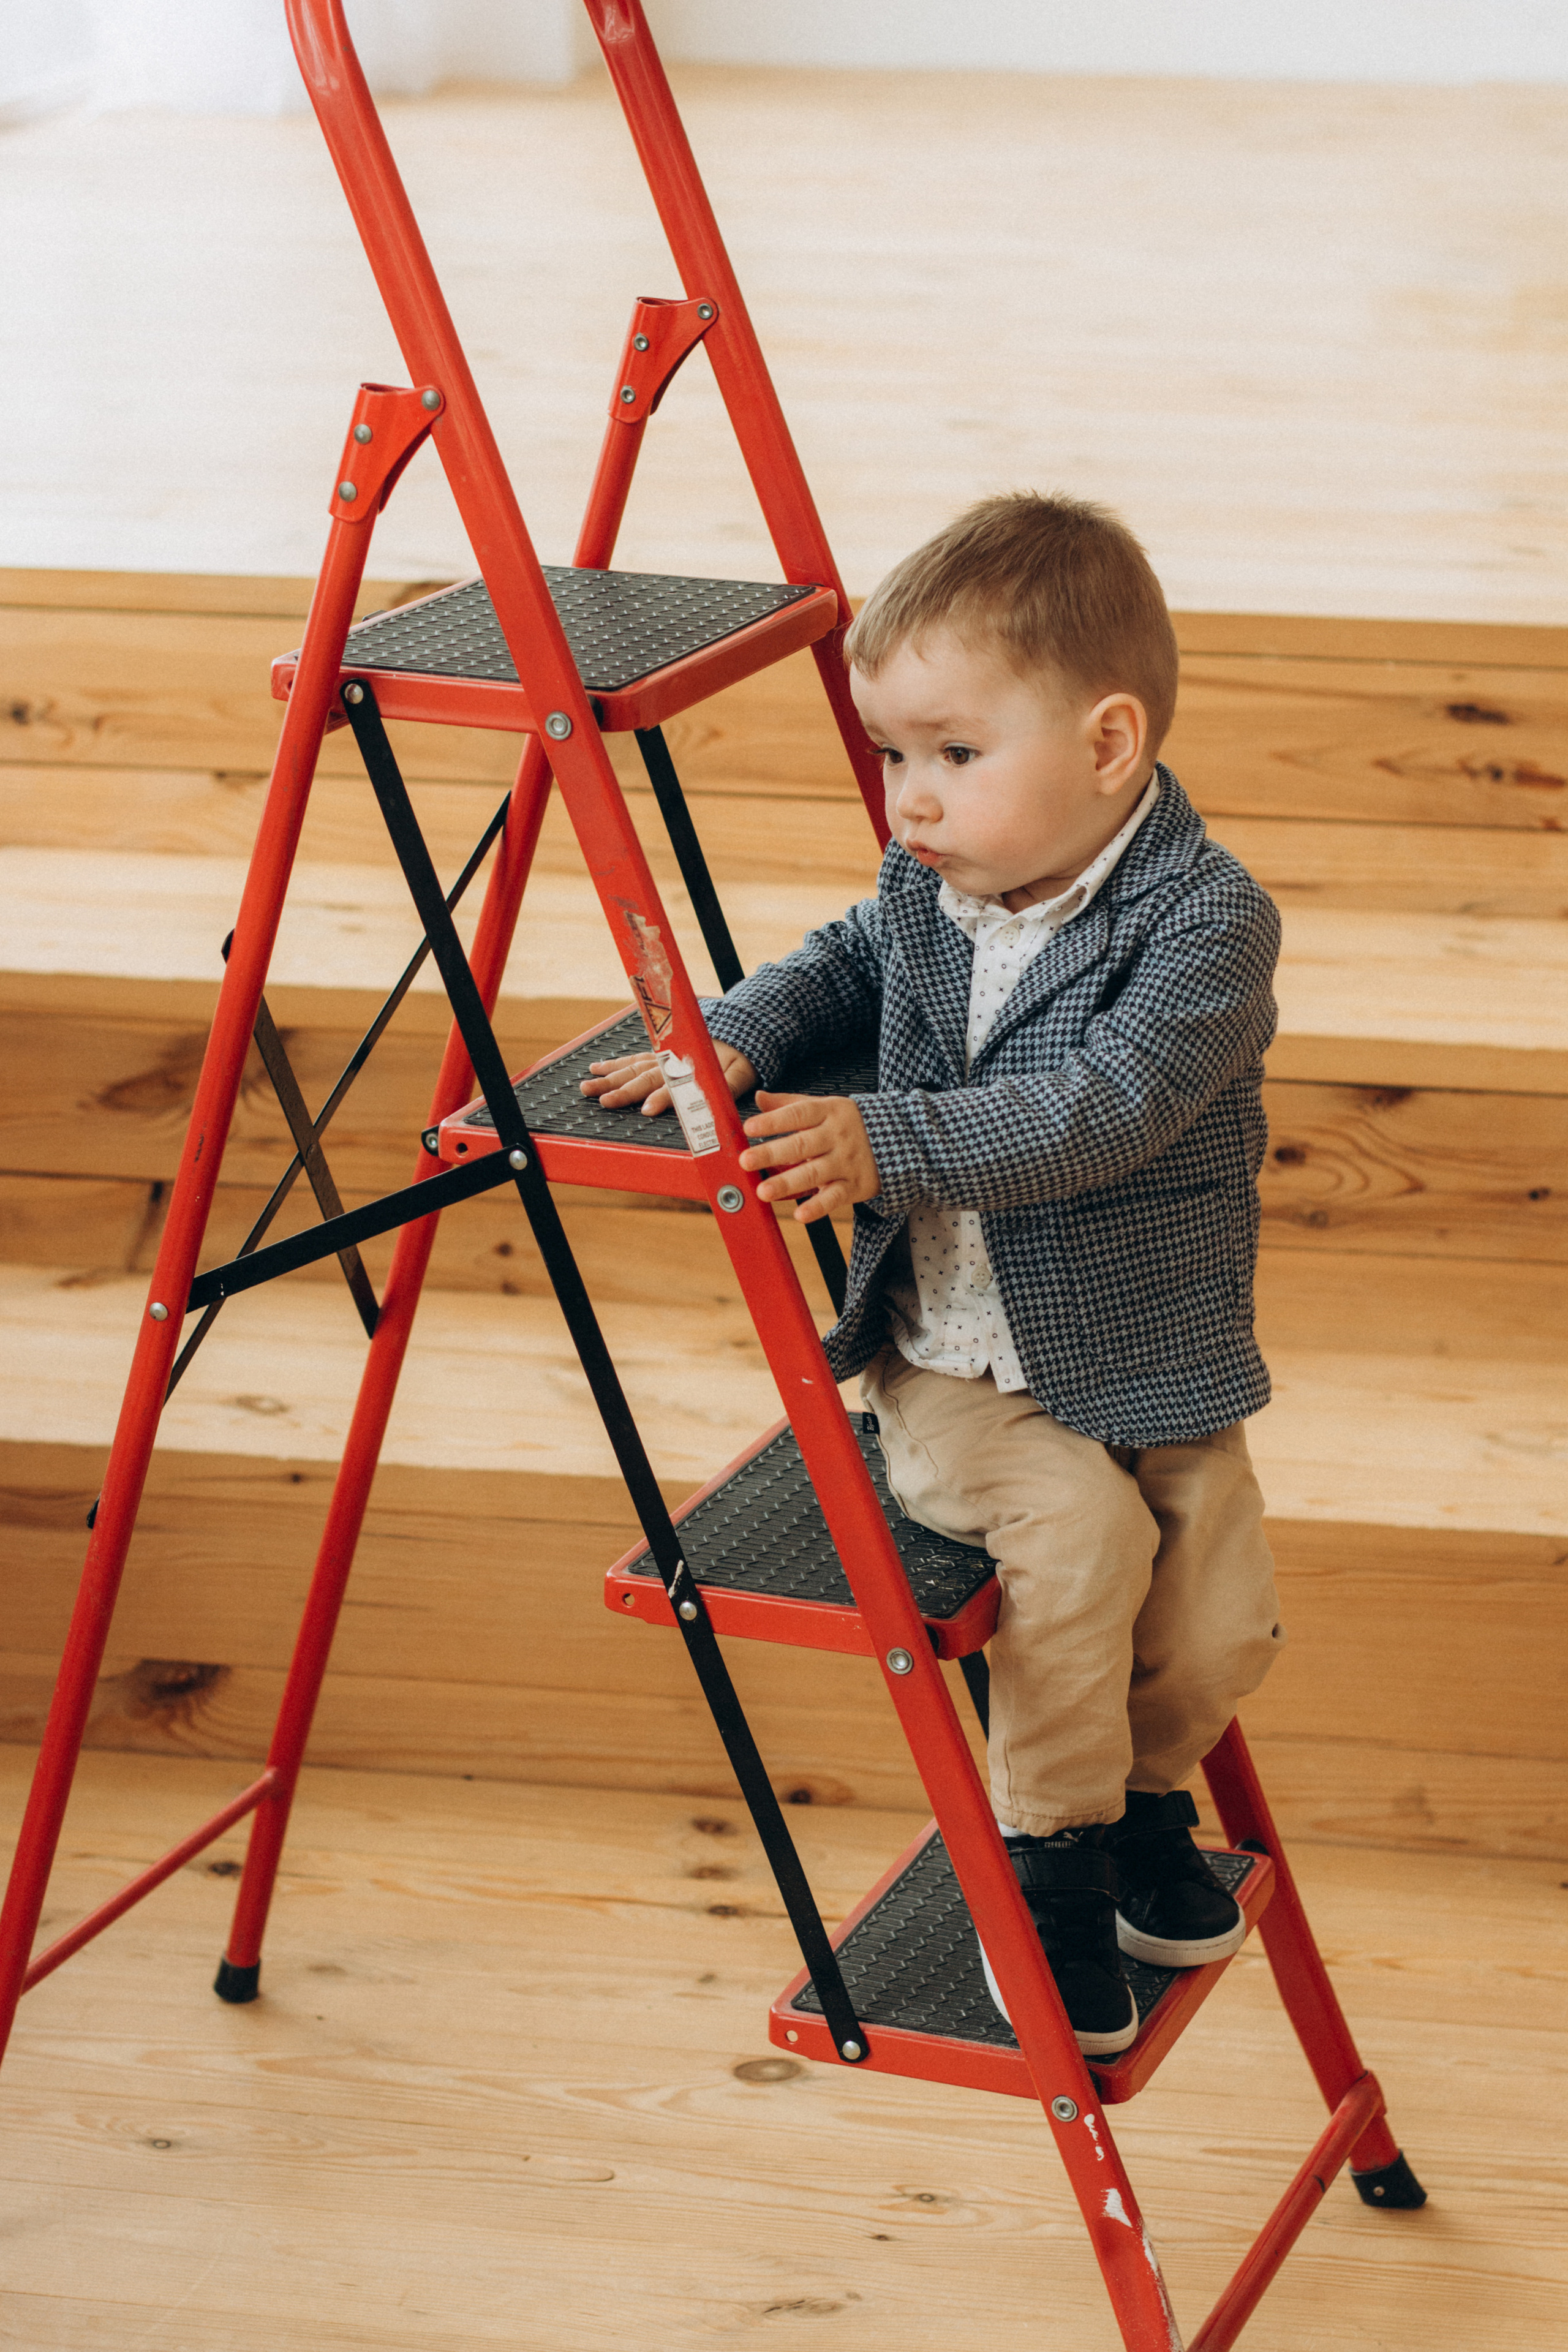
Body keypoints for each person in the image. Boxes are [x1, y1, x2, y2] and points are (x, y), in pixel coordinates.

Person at [582, 491, 1286, 2055]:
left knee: (1221, 1599)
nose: (907, 799)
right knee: (1083, 1537)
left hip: (1139, 1347)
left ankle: (1140, 1807)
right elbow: (842, 959)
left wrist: (882, 1138)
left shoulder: (1207, 927)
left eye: (953, 756)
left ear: (1108, 746)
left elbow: (1098, 1109)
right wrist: (745, 1033)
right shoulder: (930, 885)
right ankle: (1042, 1859)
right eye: (894, 755)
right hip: (955, 1363)